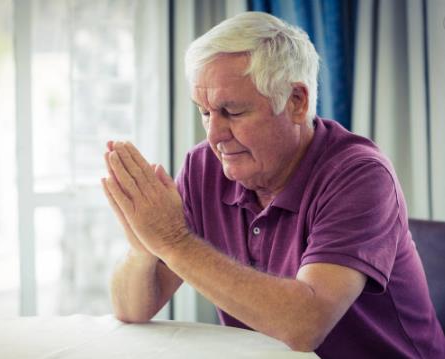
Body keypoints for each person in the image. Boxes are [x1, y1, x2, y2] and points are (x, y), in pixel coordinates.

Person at [101, 12, 445, 358]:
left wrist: (173, 241)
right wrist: (145, 243)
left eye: (232, 112)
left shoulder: (360, 174)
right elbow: (132, 309)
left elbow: (305, 324)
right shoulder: (203, 166)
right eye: (205, 112)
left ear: (297, 102)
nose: (214, 135)